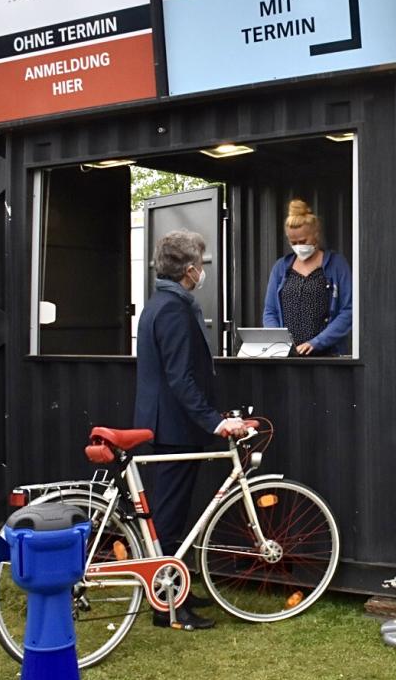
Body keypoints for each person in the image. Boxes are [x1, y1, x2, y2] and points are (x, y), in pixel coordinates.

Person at [134, 230, 244, 630]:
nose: (203, 272)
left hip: (167, 423)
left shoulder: (160, 304)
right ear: (190, 270)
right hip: (174, 428)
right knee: (169, 517)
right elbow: (180, 379)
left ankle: (174, 587)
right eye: (201, 264)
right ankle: (167, 606)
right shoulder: (174, 311)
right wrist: (214, 421)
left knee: (173, 515)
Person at [263, 199, 353, 356]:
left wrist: (317, 342)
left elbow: (349, 310)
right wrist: (280, 343)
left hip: (329, 357)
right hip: (288, 358)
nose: (299, 246)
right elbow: (270, 312)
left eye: (303, 241)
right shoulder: (280, 268)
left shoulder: (337, 265)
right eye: (293, 242)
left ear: (316, 234)